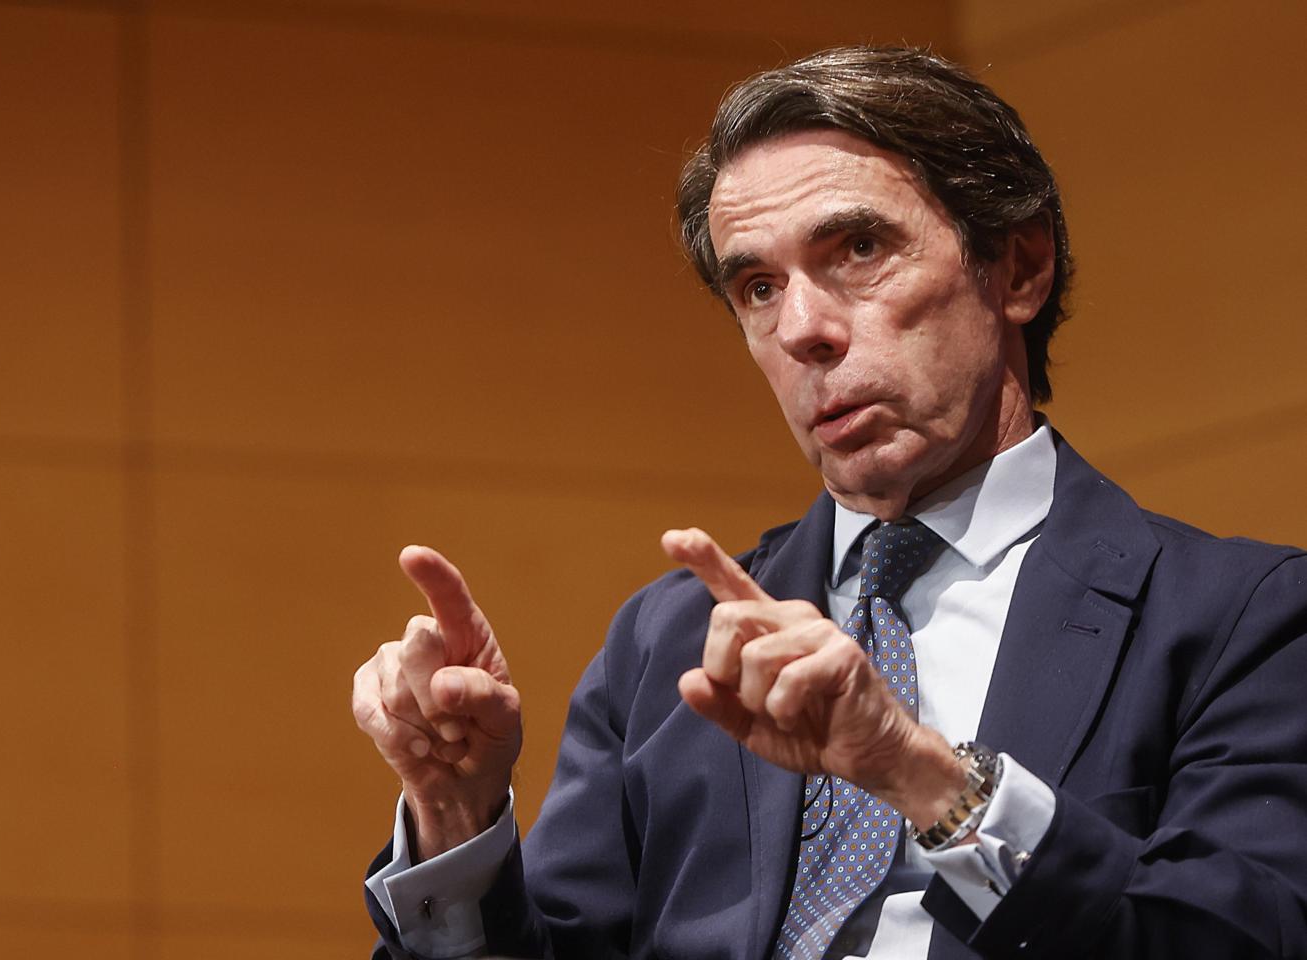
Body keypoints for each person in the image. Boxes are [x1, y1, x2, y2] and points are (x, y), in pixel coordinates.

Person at [350, 46, 1307, 960]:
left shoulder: (1241, 618)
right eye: (759, 288)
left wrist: (916, 774)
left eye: (859, 248)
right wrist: (456, 818)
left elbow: (1241, 939)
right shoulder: (668, 640)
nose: (803, 329)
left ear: (1017, 269)